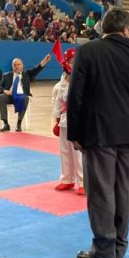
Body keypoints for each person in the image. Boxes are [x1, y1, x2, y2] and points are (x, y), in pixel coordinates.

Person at [67, 7, 129, 258]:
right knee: (125, 189)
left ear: (102, 28)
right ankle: (119, 246)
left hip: (99, 130)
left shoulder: (88, 51)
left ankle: (104, 248)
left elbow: (76, 94)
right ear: (127, 29)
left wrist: (75, 132)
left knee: (102, 190)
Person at [51, 48, 84, 195]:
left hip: (78, 121)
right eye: (70, 61)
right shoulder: (62, 81)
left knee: (78, 153)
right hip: (64, 121)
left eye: (75, 61)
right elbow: (58, 101)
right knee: (64, 151)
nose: (72, 64)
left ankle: (83, 182)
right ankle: (67, 179)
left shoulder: (84, 78)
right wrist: (56, 121)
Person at [0, 54, 52, 132]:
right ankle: (6, 124)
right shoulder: (6, 75)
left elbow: (37, 69)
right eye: (15, 65)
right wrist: (6, 91)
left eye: (19, 64)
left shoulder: (27, 74)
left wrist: (45, 60)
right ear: (12, 67)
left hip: (21, 96)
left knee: (25, 98)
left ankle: (19, 123)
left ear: (22, 66)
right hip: (10, 96)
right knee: (0, 98)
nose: (17, 66)